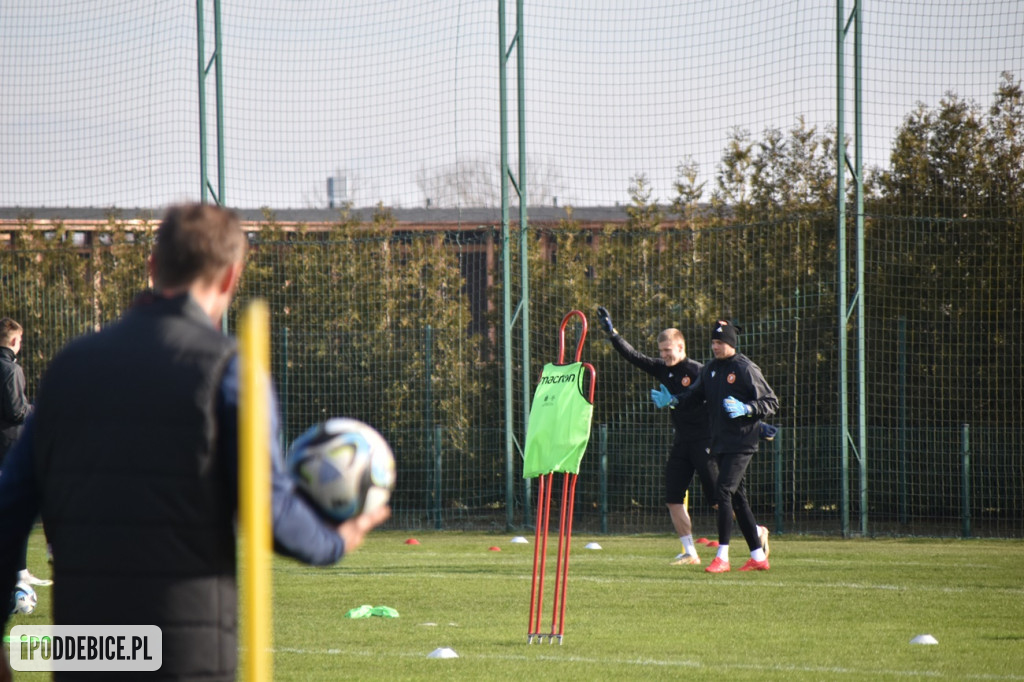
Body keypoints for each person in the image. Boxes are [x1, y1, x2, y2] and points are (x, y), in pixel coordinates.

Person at [0, 203, 390, 680]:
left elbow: (9, 509)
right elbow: (268, 511)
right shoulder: (231, 372)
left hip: (82, 650)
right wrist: (335, 541)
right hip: (184, 651)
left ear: (151, 268)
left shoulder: (69, 368)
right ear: (231, 277)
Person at [595, 307, 718, 565]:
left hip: (706, 441)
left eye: (667, 351)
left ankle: (756, 531)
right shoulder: (663, 369)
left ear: (681, 347)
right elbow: (635, 357)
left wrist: (675, 401)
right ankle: (690, 552)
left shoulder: (698, 371)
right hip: (682, 442)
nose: (663, 356)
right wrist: (613, 334)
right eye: (661, 351)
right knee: (673, 497)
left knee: (719, 500)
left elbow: (707, 402)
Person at [673, 319, 778, 573]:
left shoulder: (744, 368)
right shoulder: (710, 369)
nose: (715, 347)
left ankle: (723, 556)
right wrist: (674, 400)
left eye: (719, 342)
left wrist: (748, 408)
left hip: (742, 441)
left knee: (723, 492)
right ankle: (757, 556)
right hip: (720, 443)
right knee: (738, 499)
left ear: (731, 343)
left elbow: (771, 401)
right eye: (713, 342)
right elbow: (694, 397)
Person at [0, 318, 52, 589]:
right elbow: (16, 411)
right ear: (13, 341)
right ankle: (19, 575)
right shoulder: (10, 369)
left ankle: (20, 571)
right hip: (8, 446)